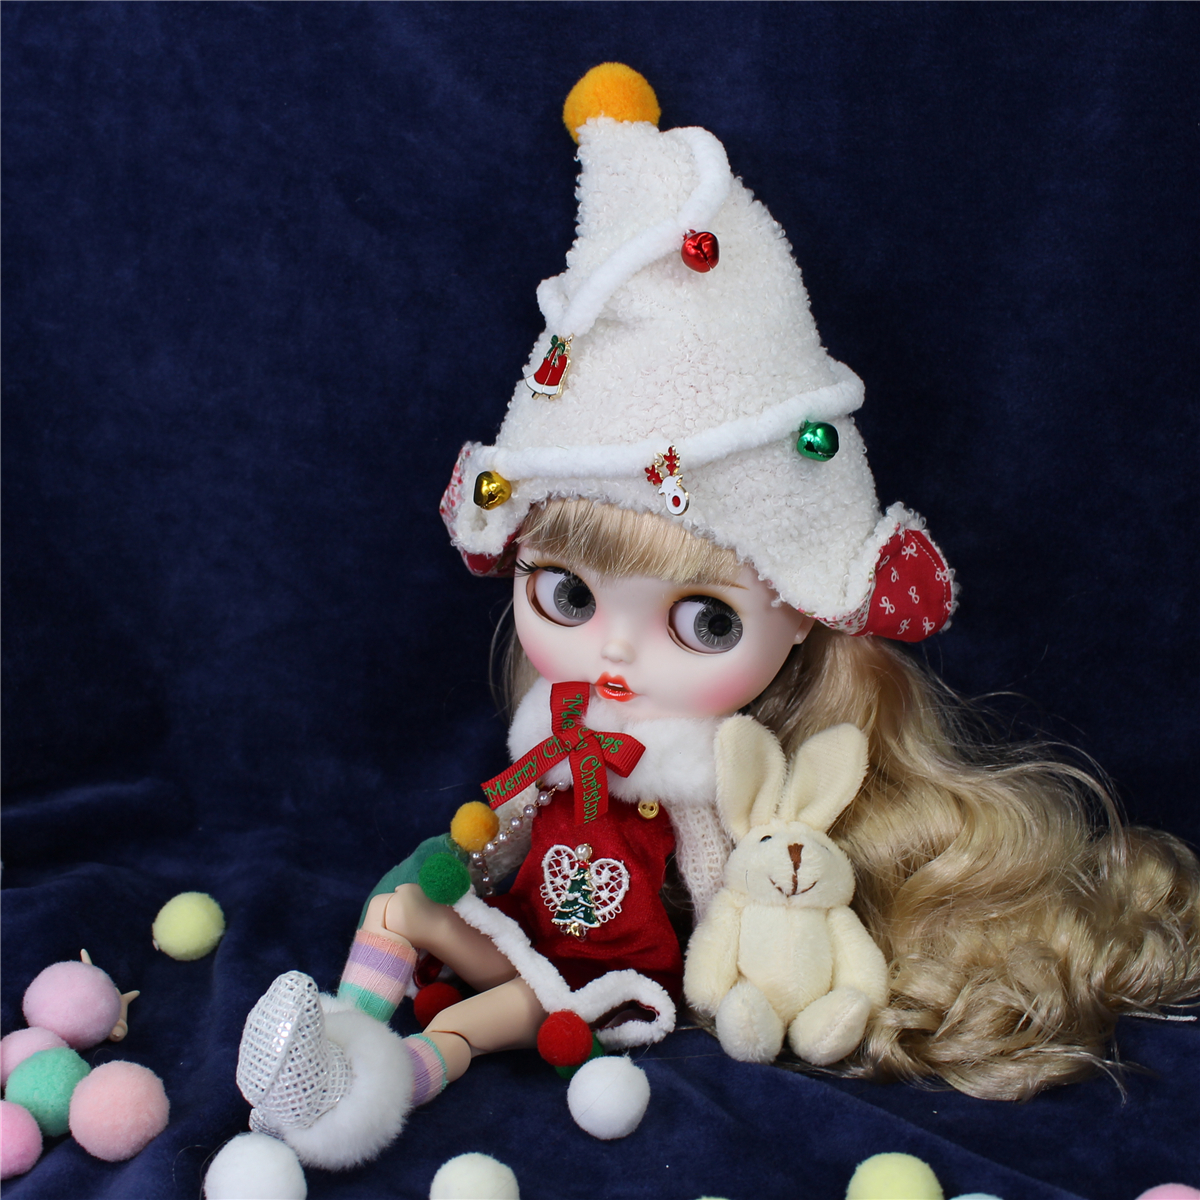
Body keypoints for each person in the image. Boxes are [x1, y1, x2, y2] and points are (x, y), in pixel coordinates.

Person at [229, 65, 1200, 1177]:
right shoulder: (554, 732)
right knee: (401, 906)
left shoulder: (709, 775)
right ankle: (341, 1029)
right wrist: (474, 856)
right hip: (524, 925)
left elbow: (719, 888)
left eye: (702, 621)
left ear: (803, 622)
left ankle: (391, 1080)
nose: (614, 649)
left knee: (497, 1015)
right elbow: (502, 829)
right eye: (568, 597)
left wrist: (738, 979)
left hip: (614, 979)